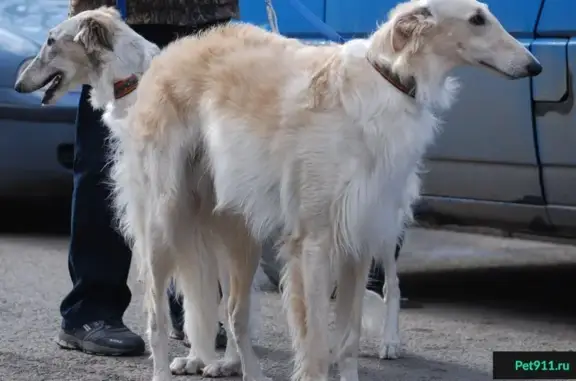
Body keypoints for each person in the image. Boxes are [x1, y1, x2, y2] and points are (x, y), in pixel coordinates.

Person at [57, 0, 239, 356]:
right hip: (121, 23)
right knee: (110, 168)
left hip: (204, 19)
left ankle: (194, 310)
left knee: (199, 170)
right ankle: (91, 309)